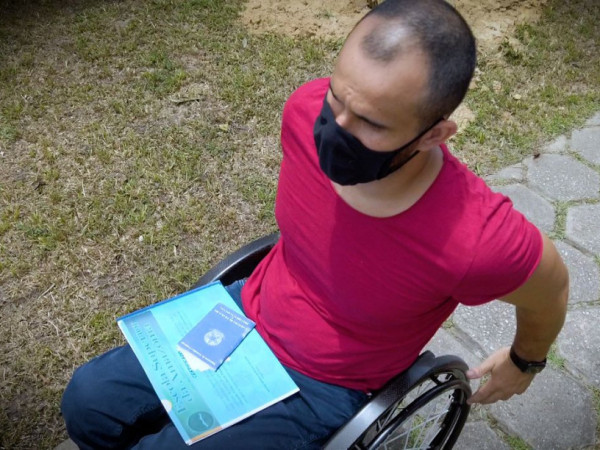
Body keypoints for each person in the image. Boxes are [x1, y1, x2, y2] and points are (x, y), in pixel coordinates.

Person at [61, 0, 569, 448]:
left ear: (433, 134)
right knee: (87, 402)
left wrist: (524, 361)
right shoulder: (304, 111)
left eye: (371, 122)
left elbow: (552, 288)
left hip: (324, 384)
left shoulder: (475, 239)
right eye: (338, 98)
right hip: (248, 310)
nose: (335, 128)